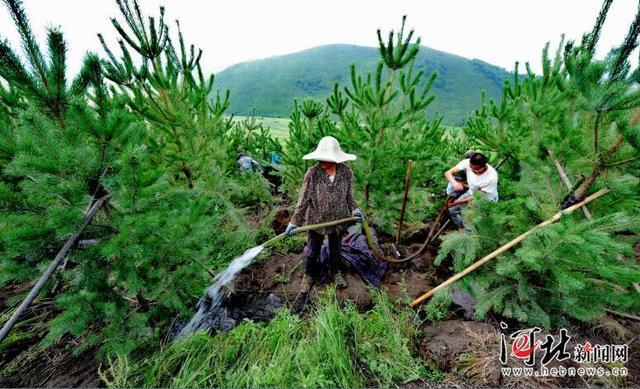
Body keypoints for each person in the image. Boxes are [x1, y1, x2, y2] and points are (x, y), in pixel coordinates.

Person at [285, 136, 364, 293]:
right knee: (313, 250)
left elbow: (349, 196)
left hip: (339, 219)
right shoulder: (312, 174)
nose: (322, 162)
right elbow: (304, 199)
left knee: (336, 249)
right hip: (317, 220)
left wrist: (355, 209)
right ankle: (308, 275)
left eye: (325, 159)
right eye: (320, 158)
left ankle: (335, 272)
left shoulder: (346, 172)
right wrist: (294, 222)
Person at [444, 152, 498, 231]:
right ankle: (460, 229)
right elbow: (448, 173)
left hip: (485, 199)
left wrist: (457, 202)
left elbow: (477, 196)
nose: (472, 171)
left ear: (483, 167)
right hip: (472, 192)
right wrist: (455, 183)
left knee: (467, 217)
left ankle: (470, 236)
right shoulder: (468, 163)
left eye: (475, 170)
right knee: (452, 209)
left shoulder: (491, 177)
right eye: (471, 168)